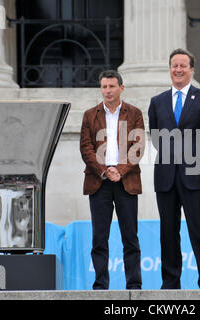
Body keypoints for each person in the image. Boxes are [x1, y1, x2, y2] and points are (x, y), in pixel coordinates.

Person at [148, 48, 200, 289]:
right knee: (168, 233)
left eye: (183, 65)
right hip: (166, 177)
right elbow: (155, 136)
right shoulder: (157, 101)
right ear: (169, 69)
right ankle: (170, 283)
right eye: (174, 65)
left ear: (192, 69)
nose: (178, 69)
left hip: (196, 177)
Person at [80, 70, 145, 290]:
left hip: (126, 182)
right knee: (99, 238)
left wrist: (120, 170)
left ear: (121, 88)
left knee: (130, 238)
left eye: (112, 86)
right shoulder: (90, 115)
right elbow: (86, 148)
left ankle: (134, 286)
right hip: (99, 183)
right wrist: (104, 170)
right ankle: (100, 286)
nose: (108, 91)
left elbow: (138, 146)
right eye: (104, 87)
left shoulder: (134, 113)